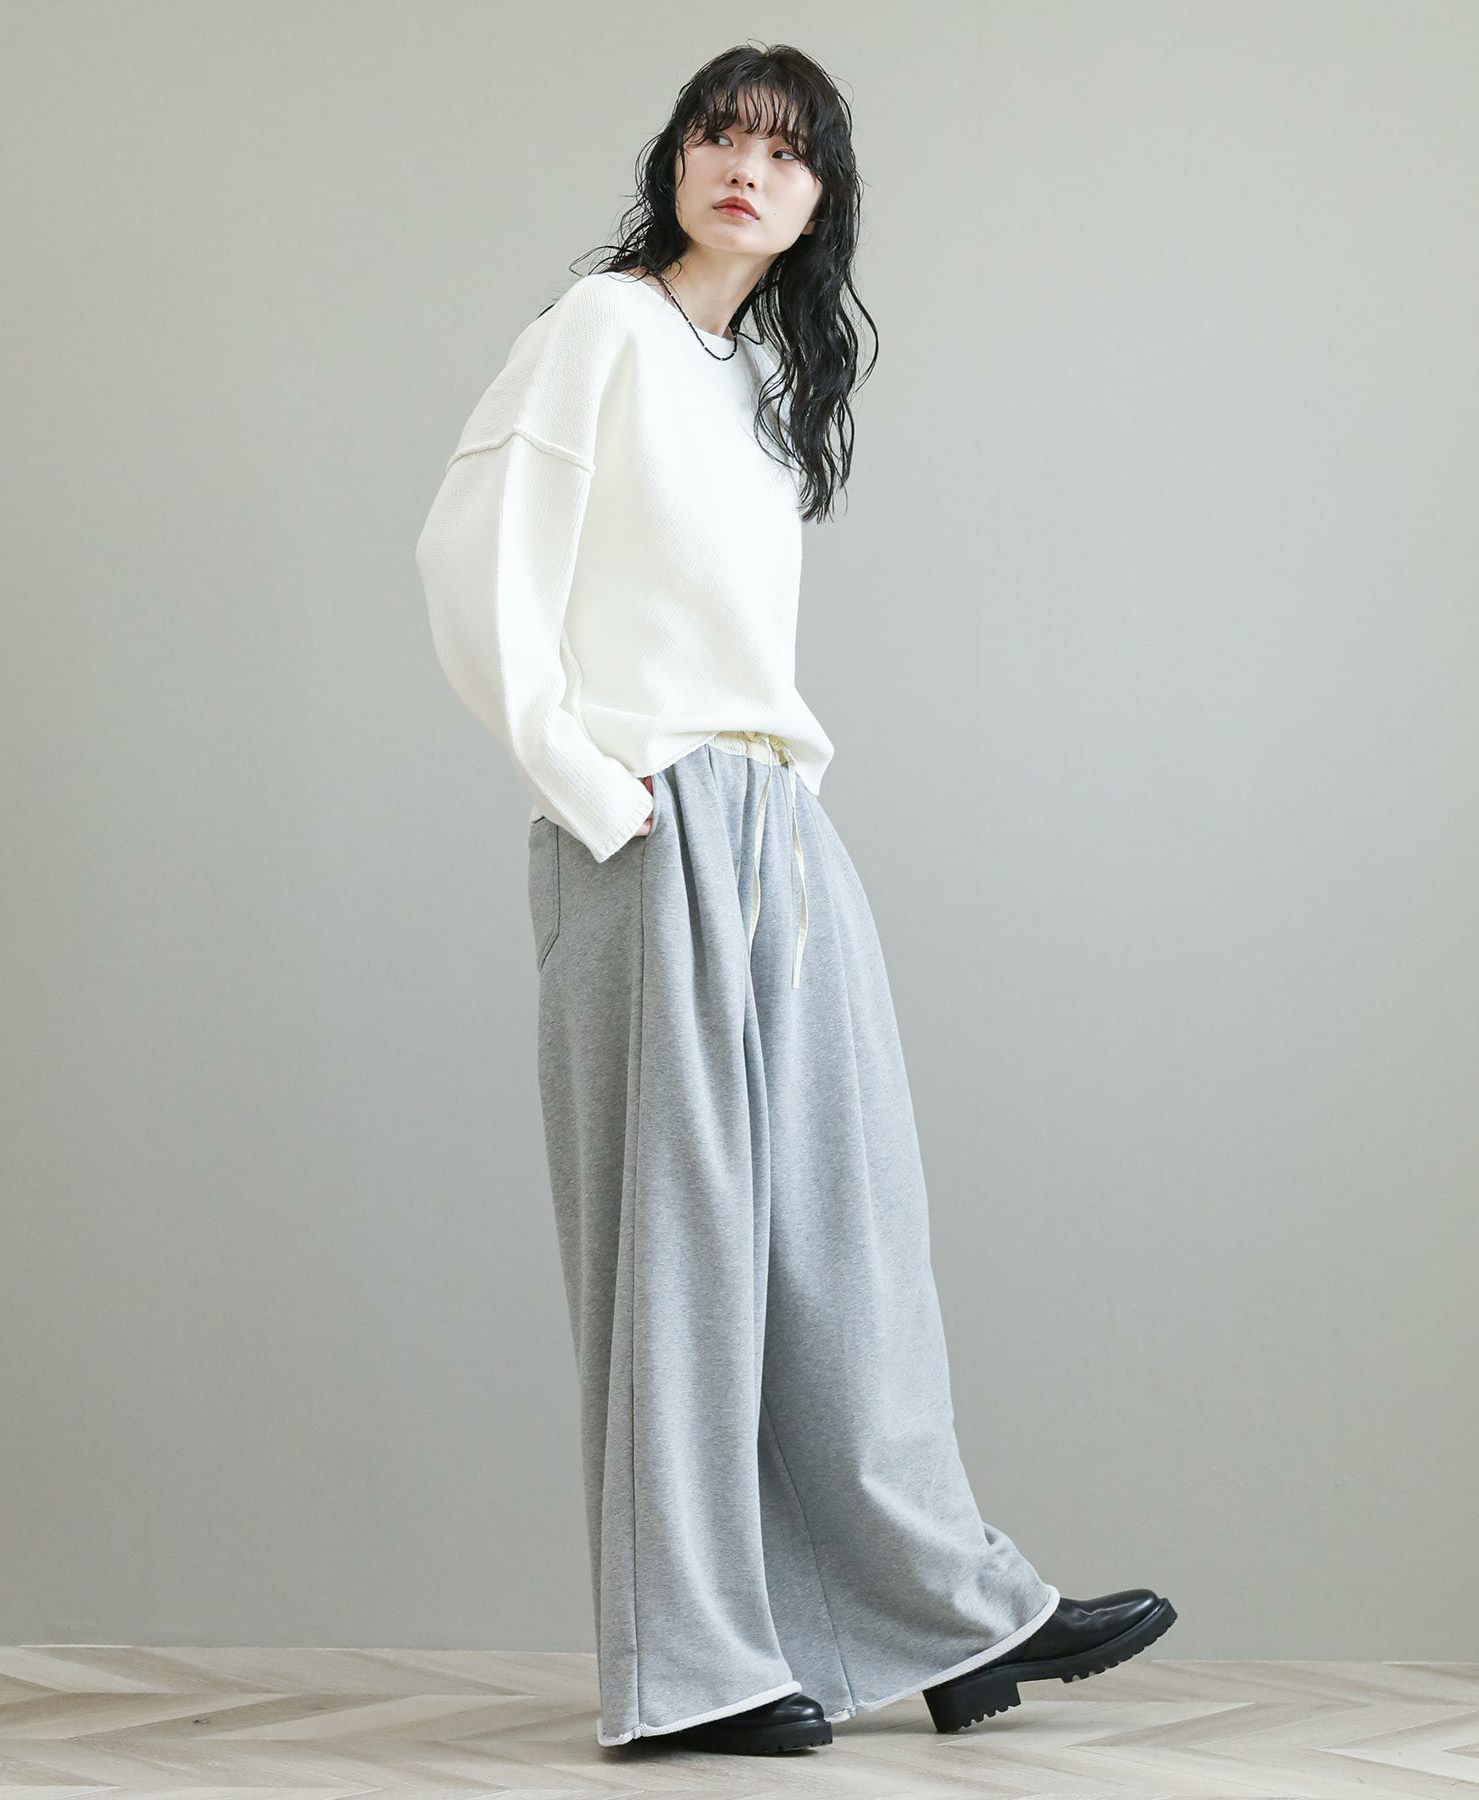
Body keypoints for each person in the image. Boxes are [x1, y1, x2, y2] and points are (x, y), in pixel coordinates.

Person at [415, 41, 1175, 1758]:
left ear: (822, 197)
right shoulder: (601, 329)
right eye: (718, 134)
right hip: (650, 818)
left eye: (783, 148)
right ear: (675, 161)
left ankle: (952, 1615)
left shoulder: (759, 383)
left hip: (776, 822)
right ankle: (689, 1672)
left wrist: (779, 815)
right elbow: (470, 562)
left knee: (846, 1238)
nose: (744, 166)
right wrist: (596, 789)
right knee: (681, 1260)